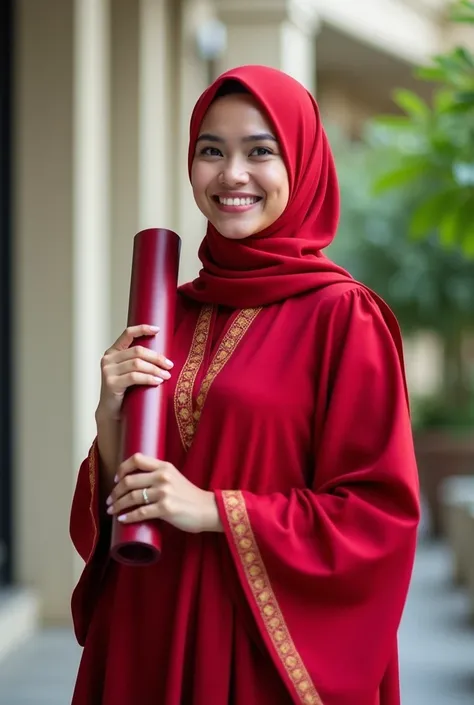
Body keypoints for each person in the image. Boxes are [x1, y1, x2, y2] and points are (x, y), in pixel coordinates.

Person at [70, 65, 420, 705]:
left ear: (303, 165)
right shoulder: (165, 309)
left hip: (260, 646)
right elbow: (134, 493)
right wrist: (111, 418)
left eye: (261, 151)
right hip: (147, 624)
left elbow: (377, 517)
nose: (232, 174)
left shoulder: (343, 316)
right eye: (211, 151)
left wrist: (216, 510)